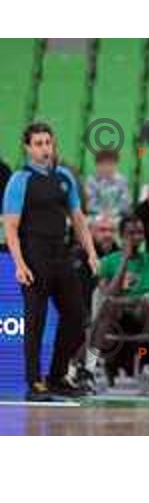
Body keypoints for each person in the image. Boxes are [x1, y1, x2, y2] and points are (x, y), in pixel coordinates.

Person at [2, 122, 98, 401]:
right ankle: (35, 383)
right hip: (33, 253)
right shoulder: (20, 180)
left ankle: (57, 377)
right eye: (38, 143)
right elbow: (10, 227)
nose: (45, 148)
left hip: (61, 253)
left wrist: (91, 251)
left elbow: (78, 219)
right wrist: (19, 264)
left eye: (48, 142)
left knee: (76, 316)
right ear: (28, 148)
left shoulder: (64, 177)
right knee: (36, 320)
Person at [82, 214, 149, 395]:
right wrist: (124, 260)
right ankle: (89, 372)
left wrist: (137, 301)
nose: (137, 237)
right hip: (115, 319)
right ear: (122, 236)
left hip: (145, 318)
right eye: (131, 233)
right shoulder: (108, 262)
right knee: (109, 302)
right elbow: (107, 294)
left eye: (140, 233)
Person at [85, 150, 130, 219]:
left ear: (116, 164)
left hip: (117, 216)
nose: (106, 168)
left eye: (110, 164)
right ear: (96, 165)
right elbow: (89, 204)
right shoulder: (91, 181)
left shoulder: (122, 181)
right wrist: (102, 213)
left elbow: (125, 204)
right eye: (102, 164)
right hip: (96, 216)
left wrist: (113, 212)